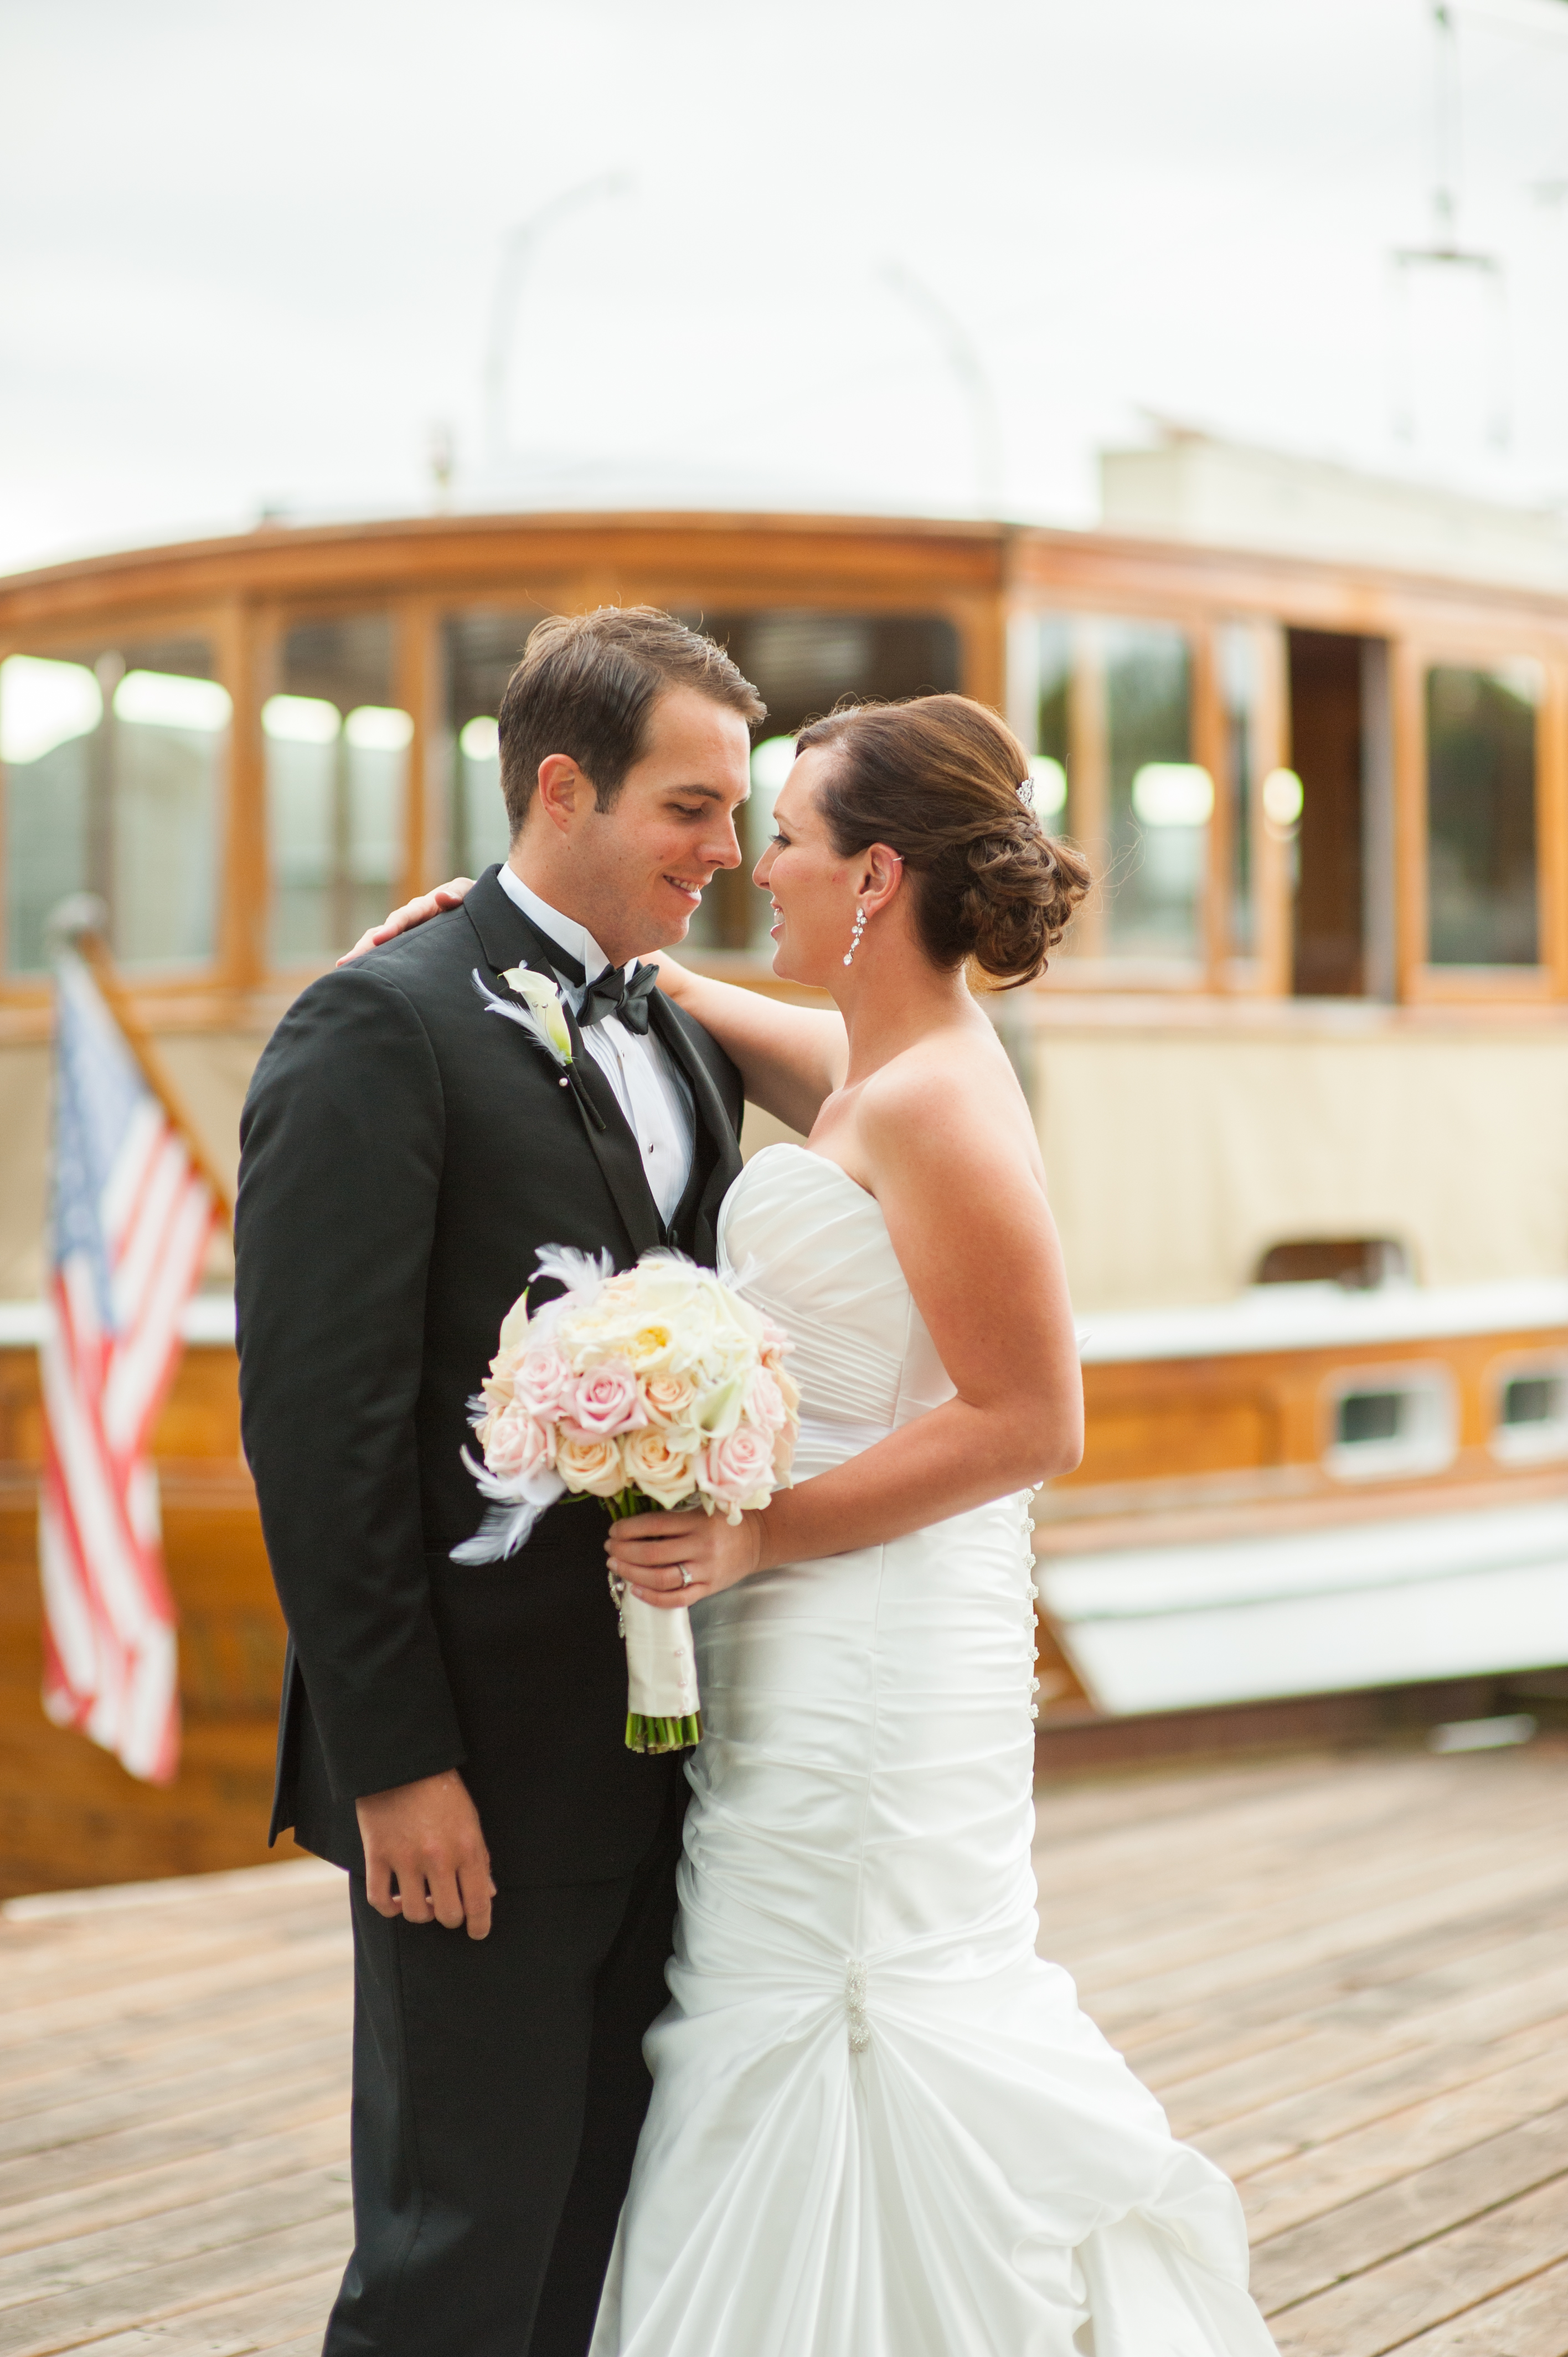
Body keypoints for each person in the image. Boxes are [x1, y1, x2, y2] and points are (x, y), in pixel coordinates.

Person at [365, 692, 1281, 2354]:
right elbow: (702, 1007)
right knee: (783, 2000)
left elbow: (1033, 1418)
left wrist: (762, 1539)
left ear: (872, 879)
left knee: (851, 2009)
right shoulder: (887, 1063)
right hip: (809, 1632)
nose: (752, 867)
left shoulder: (932, 1101)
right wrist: (513, 939)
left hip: (861, 1635)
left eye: (781, 837)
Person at [234, 608, 765, 2357]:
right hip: (470, 1774)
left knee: (592, 2238)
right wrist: (397, 1767)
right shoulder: (376, 1026)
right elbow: (319, 1432)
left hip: (665, 1752)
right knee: (453, 2254)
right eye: (692, 809)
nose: (729, 853)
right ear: (562, 787)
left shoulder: (685, 1039)